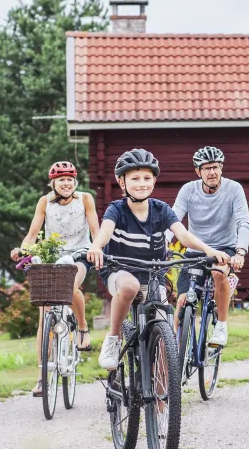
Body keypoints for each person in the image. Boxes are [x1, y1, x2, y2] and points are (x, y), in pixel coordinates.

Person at [87, 148, 230, 372]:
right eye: (135, 178)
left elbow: (183, 235)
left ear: (154, 180)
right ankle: (113, 338)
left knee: (166, 336)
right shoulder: (117, 209)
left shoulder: (161, 210)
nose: (141, 183)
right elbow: (104, 233)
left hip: (153, 274)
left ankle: (164, 397)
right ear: (121, 182)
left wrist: (210, 250)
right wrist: (96, 246)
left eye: (146, 177)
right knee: (130, 286)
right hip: (121, 271)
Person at [13, 161, 100, 395]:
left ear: (75, 182)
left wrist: (98, 247)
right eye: (61, 179)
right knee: (44, 313)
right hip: (52, 254)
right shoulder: (44, 202)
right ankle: (42, 375)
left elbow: (95, 230)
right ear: (53, 183)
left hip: (81, 253)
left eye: (70, 179)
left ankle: (82, 327)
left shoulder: (85, 199)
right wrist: (23, 249)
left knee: (69, 287)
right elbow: (32, 234)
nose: (66, 183)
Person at [171, 145, 249, 346]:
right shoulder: (188, 190)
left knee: (218, 273)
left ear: (221, 168)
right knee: (181, 301)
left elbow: (243, 222)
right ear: (198, 172)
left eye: (215, 167)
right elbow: (174, 219)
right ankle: (173, 353)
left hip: (225, 248)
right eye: (206, 168)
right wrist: (161, 242)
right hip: (195, 250)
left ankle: (221, 326)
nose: (212, 172)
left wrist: (240, 251)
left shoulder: (234, 189)